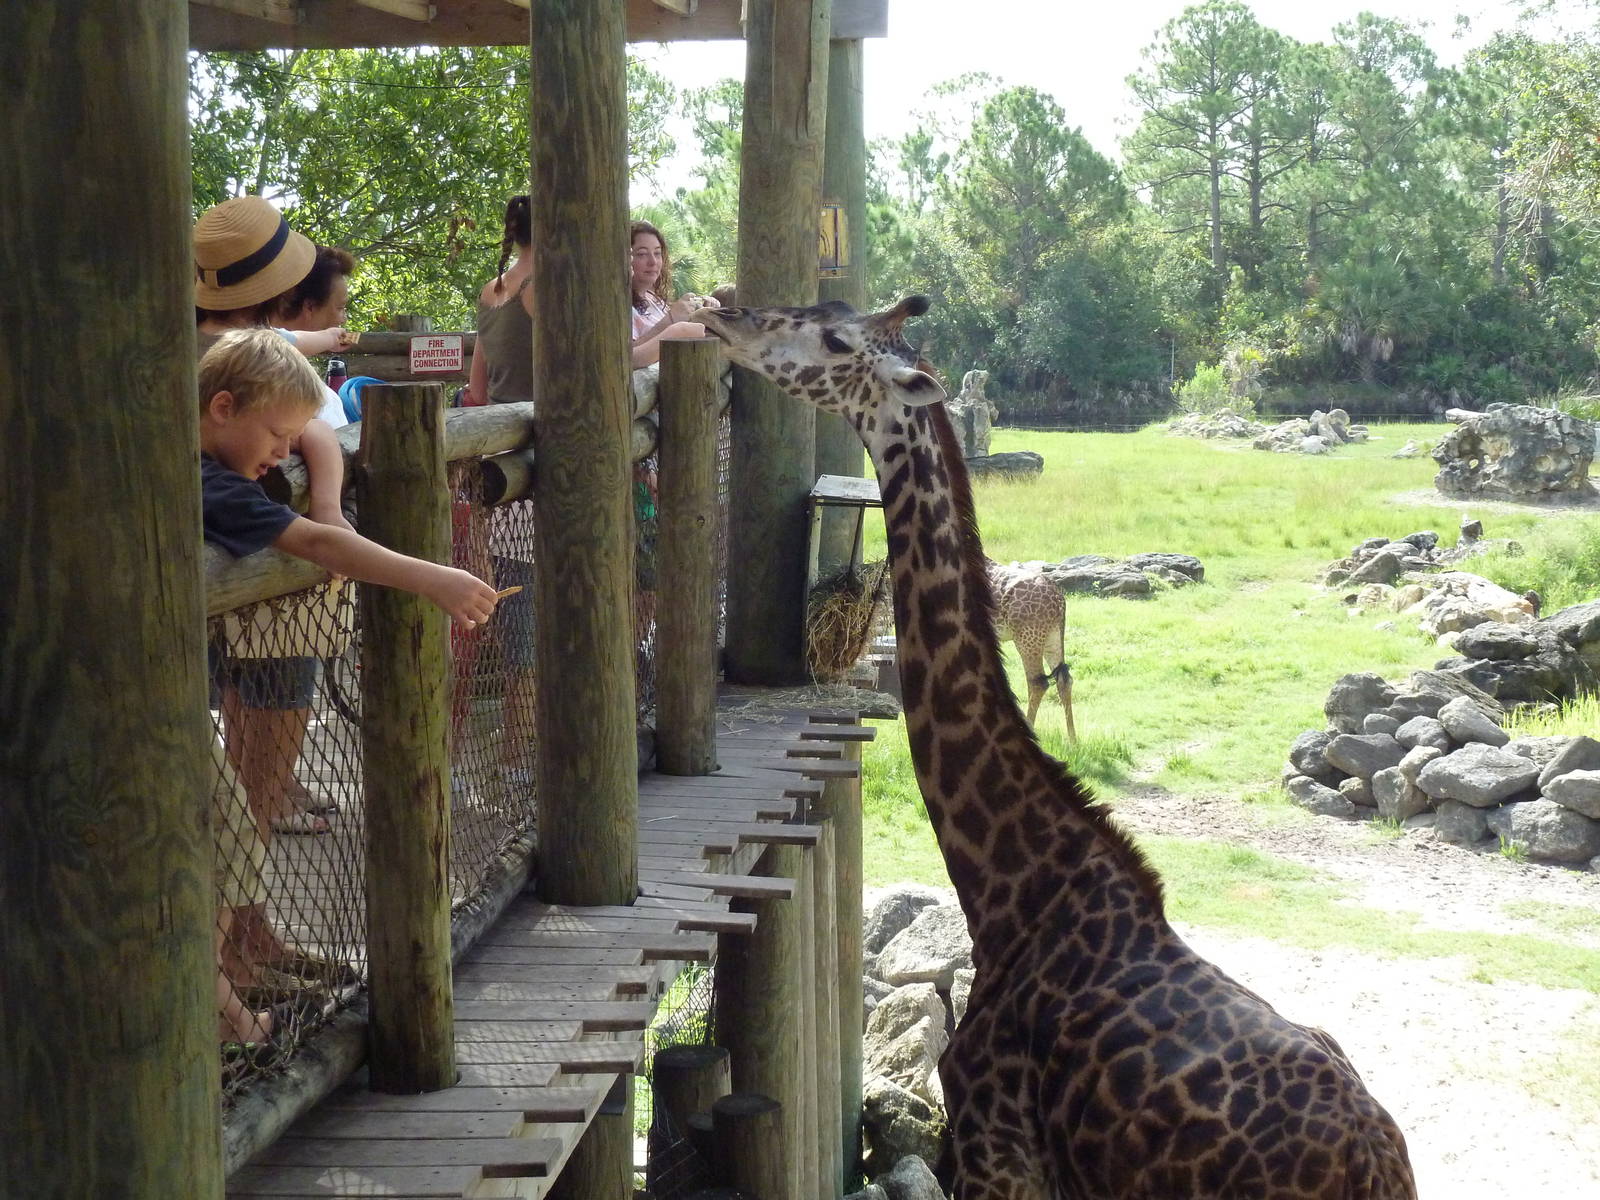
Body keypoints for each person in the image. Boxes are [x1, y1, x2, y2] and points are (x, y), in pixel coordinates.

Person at [195, 197, 349, 836]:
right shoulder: (250, 357)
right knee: (267, 729)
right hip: (266, 555)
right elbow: (317, 432)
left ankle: (245, 924)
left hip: (232, 566)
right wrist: (330, 509)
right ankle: (246, 928)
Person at [462, 195, 538, 790]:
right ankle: (518, 753)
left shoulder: (492, 292)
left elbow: (476, 391)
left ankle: (504, 752)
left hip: (500, 466)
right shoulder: (549, 288)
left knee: (511, 607)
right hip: (545, 465)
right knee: (533, 618)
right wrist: (672, 325)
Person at [628, 220, 710, 369]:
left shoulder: (654, 299)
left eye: (657, 253)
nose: (653, 262)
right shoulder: (616, 308)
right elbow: (625, 358)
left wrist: (702, 310)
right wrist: (672, 323)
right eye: (642, 254)